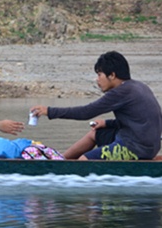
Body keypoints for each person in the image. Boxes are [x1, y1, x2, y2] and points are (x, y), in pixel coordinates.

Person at [29, 51, 162, 160]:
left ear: (112, 75)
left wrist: (49, 111)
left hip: (135, 148)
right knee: (95, 133)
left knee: (84, 161)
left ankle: (67, 171)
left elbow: (86, 112)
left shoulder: (121, 92)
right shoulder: (138, 86)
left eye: (99, 75)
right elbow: (139, 122)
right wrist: (107, 123)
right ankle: (60, 162)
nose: (97, 80)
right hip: (147, 145)